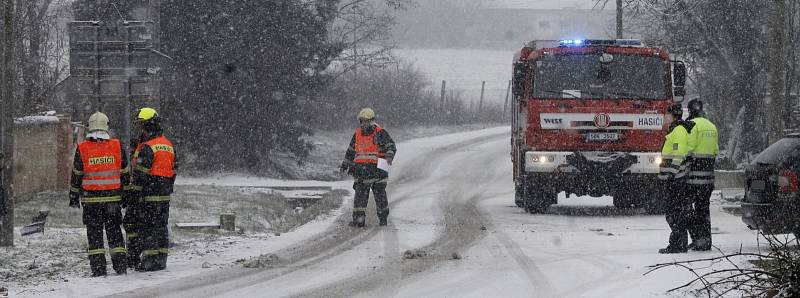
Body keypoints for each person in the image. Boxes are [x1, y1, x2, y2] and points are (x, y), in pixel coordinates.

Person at [69, 112, 128, 276]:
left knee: (94, 235)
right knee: (115, 232)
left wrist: (73, 196)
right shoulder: (116, 146)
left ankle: (98, 269)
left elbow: (76, 175)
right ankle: (121, 266)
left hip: (91, 201)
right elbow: (125, 173)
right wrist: (126, 194)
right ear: (106, 127)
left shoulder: (83, 148)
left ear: (90, 127)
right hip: (113, 200)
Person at [126, 107, 176, 271]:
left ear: (148, 126)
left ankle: (149, 261)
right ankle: (161, 259)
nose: (140, 129)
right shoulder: (168, 145)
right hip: (164, 195)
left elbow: (141, 174)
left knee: (148, 228)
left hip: (149, 195)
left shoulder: (148, 147)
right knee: (161, 227)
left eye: (141, 125)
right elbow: (174, 169)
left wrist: (135, 194)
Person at [340, 108, 397, 227]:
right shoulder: (357, 134)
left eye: (365, 121)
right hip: (361, 172)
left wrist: (389, 156)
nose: (363, 124)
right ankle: (358, 220)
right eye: (361, 121)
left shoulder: (381, 133)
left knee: (380, 196)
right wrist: (345, 165)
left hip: (378, 172)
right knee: (360, 197)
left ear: (372, 121)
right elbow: (350, 151)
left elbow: (391, 146)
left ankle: (383, 219)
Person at [658, 104, 693, 254]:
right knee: (675, 213)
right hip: (674, 180)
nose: (665, 117)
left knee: (674, 214)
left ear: (672, 116)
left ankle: (677, 244)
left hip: (676, 181)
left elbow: (678, 156)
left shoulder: (678, 131)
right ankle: (679, 243)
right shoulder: (675, 130)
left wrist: (671, 175)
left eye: (667, 115)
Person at [685, 99, 719, 251]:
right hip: (708, 179)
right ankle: (706, 241)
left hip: (694, 178)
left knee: (688, 209)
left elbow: (688, 149)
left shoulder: (692, 126)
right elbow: (716, 151)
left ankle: (697, 239)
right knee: (704, 209)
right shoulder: (712, 126)